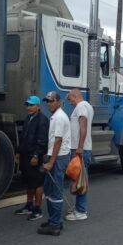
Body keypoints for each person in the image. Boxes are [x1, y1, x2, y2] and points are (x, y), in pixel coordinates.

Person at [38, 90, 71, 236]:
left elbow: (58, 140)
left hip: (58, 158)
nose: (49, 104)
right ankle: (54, 220)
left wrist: (51, 162)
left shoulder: (58, 118)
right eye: (48, 101)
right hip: (56, 156)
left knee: (55, 192)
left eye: (52, 101)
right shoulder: (56, 116)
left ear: (59, 102)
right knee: (50, 190)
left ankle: (55, 225)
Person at [14, 95, 49, 221]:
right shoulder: (28, 118)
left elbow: (42, 140)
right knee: (28, 182)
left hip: (35, 157)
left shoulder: (42, 120)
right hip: (25, 156)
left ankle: (38, 209)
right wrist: (18, 152)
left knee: (37, 183)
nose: (28, 107)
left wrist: (36, 155)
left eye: (31, 105)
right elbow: (24, 136)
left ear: (38, 106)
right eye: (27, 105)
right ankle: (29, 205)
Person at [66, 88, 93, 221]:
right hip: (80, 148)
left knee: (80, 180)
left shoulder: (81, 106)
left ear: (74, 95)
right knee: (78, 179)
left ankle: (81, 211)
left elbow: (83, 125)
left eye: (70, 100)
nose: (70, 103)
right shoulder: (86, 106)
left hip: (80, 149)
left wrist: (80, 147)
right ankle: (78, 207)